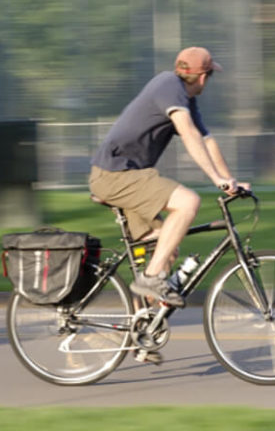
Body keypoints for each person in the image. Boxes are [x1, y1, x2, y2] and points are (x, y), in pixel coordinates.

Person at [89, 46, 251, 307]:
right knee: (188, 202)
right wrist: (215, 178)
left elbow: (206, 141)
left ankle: (144, 333)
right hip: (115, 174)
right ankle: (150, 278)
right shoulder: (169, 86)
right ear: (202, 77)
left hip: (127, 175)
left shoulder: (185, 98)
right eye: (210, 76)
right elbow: (188, 134)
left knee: (167, 249)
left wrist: (229, 181)